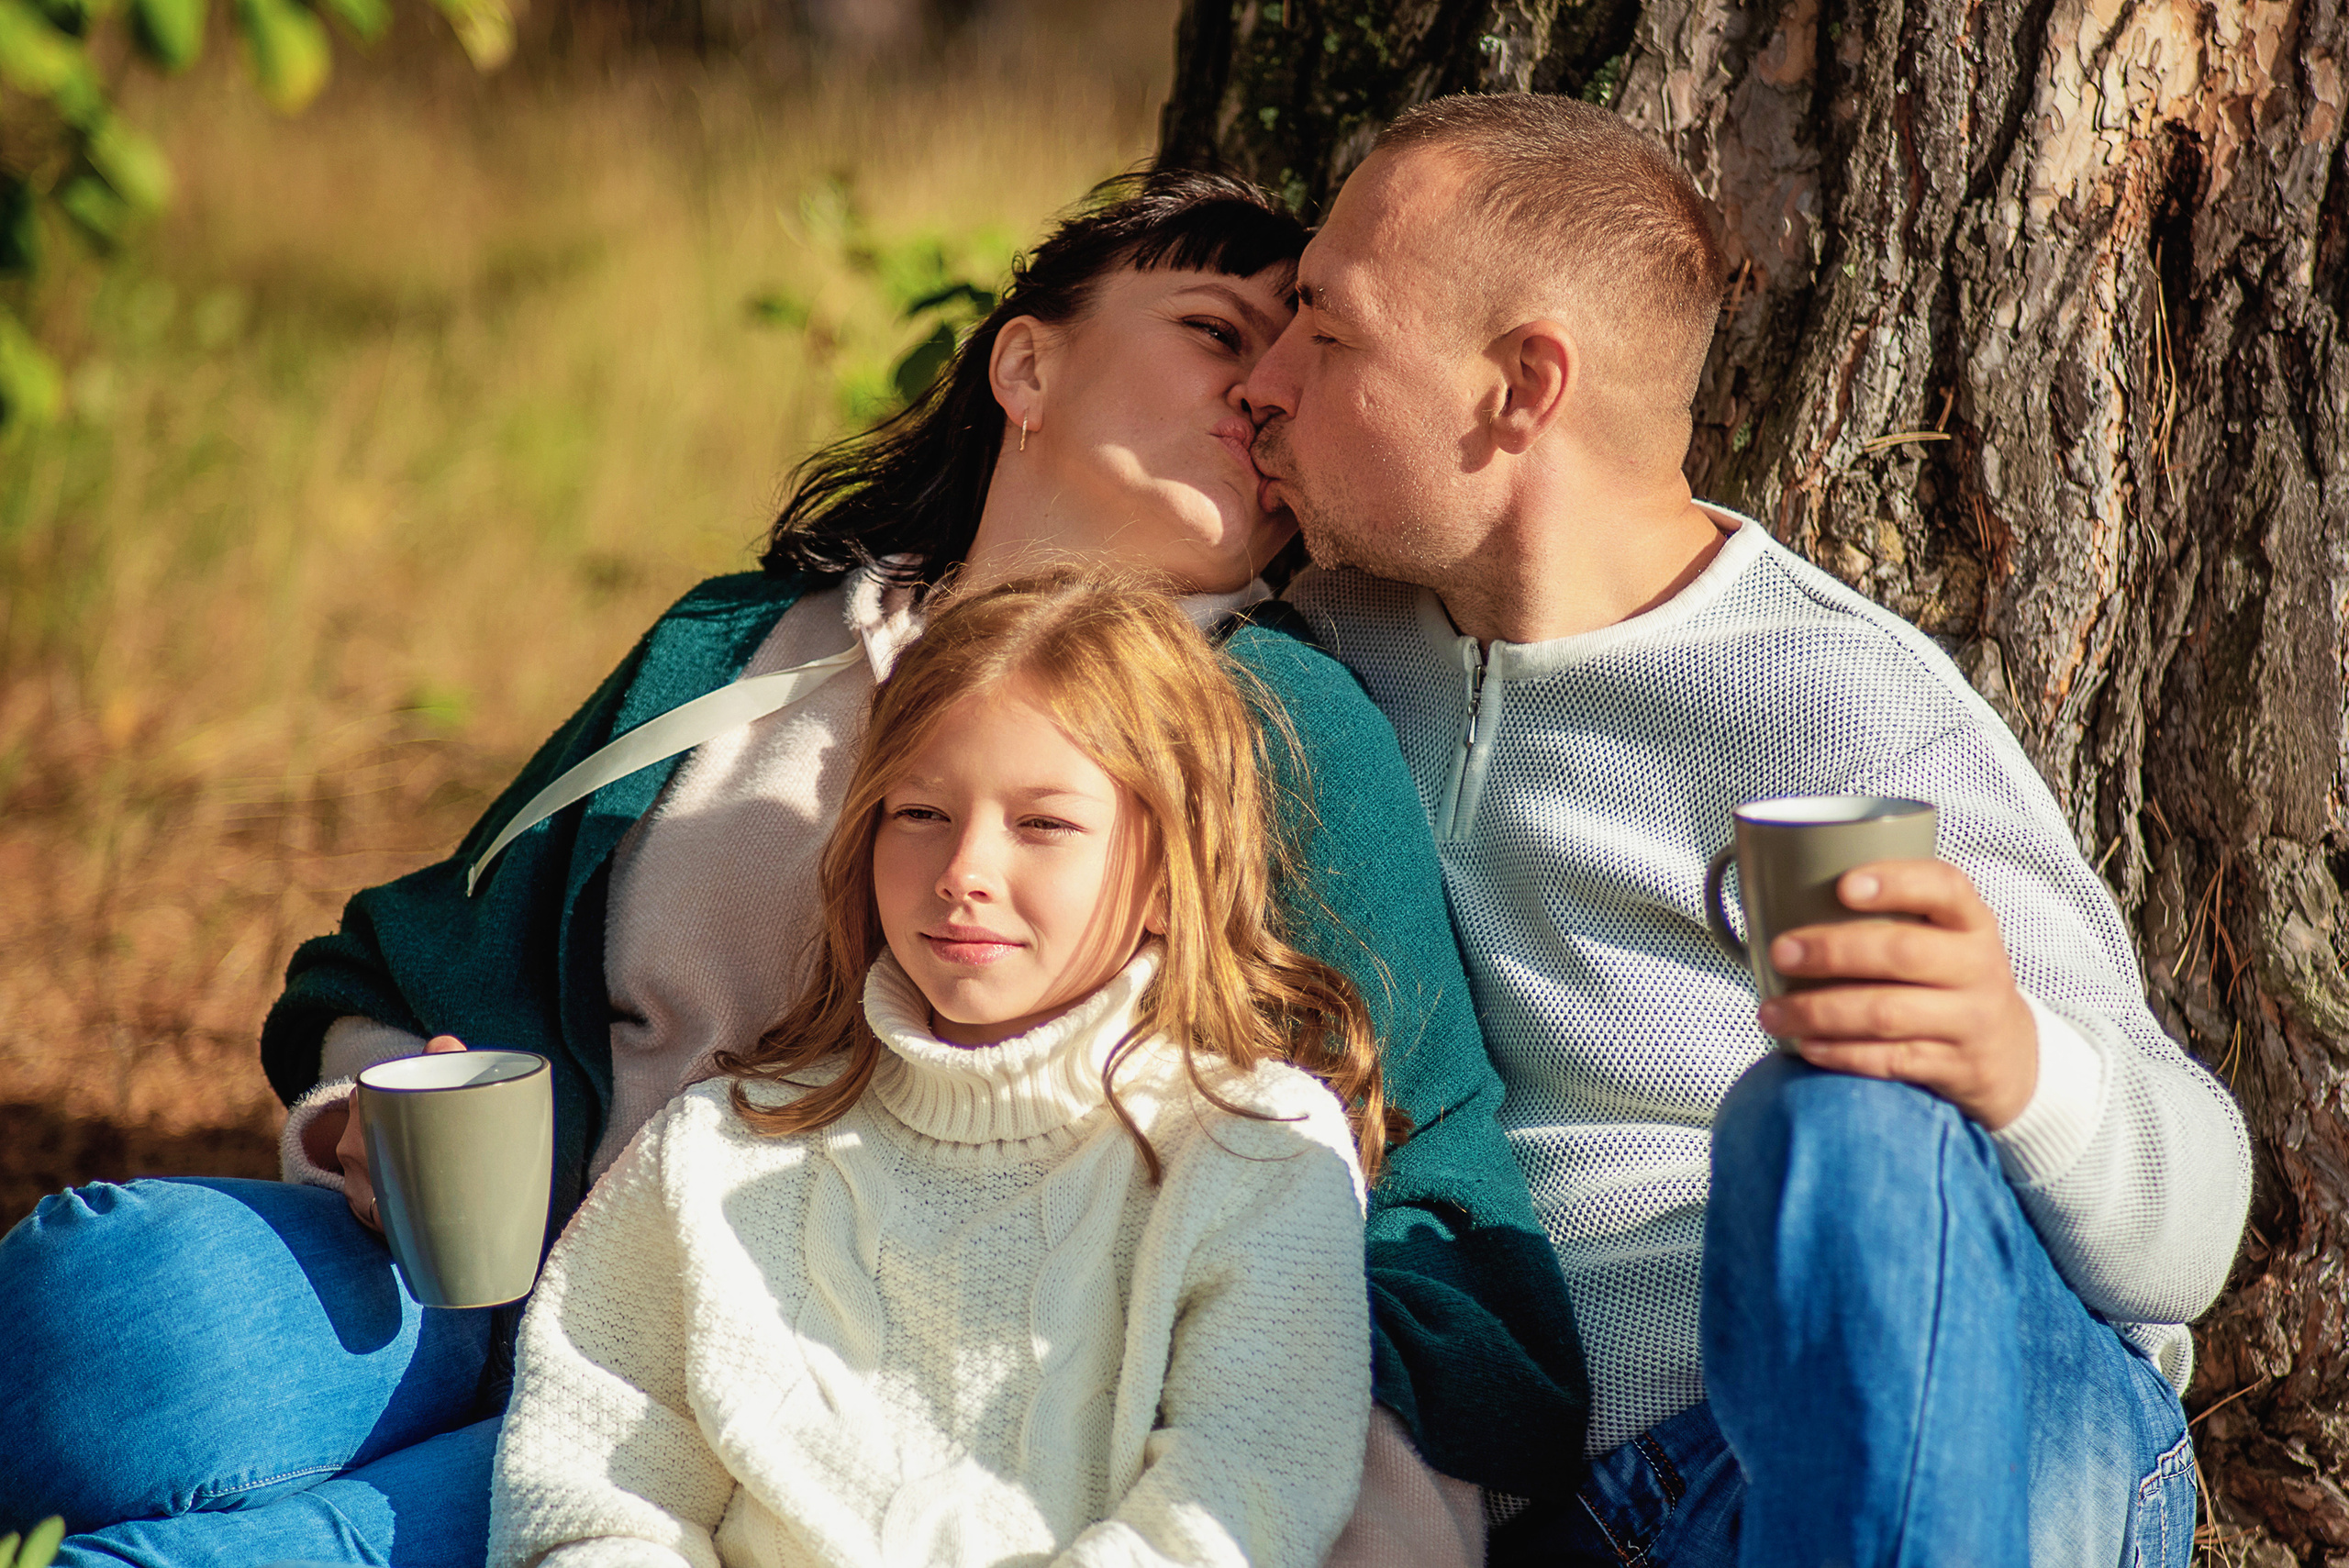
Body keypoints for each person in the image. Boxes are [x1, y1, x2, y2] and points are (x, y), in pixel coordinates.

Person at [0, 169, 1580, 1567]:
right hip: (502, 1287)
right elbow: (407, 957)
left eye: (1297, 362)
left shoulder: (1262, 723)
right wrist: (368, 1111)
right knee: (101, 1303)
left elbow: (1415, 1187)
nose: (1265, 389)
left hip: (805, 1406)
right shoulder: (736, 646)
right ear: (1027, 365)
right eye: (1216, 331)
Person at [1242, 93, 2253, 1565]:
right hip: (1589, 1511)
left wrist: (2010, 1056)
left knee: (1830, 1119)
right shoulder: (1314, 663)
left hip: (1943, 1425)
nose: (1264, 381)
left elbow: (2192, 1225)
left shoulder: (1830, 702)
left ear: (1522, 386)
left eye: (1327, 333)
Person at [493, 575, 1382, 1568]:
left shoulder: (1256, 1150)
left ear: (1173, 872)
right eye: (919, 811)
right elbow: (592, 1496)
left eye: (1042, 824)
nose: (963, 871)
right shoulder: (714, 1149)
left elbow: (1238, 1501)